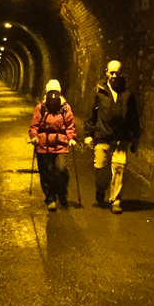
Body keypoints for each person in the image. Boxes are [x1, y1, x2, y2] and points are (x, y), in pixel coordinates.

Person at [83, 60, 140, 214]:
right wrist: (88, 135)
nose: (114, 76)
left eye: (117, 73)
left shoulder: (128, 94)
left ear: (121, 74)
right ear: (106, 72)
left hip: (121, 137)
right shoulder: (98, 91)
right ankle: (101, 189)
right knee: (101, 170)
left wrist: (135, 137)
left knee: (119, 168)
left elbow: (133, 117)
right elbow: (90, 115)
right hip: (102, 136)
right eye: (111, 72)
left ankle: (115, 200)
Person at [29, 80, 77, 211]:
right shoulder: (41, 108)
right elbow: (35, 125)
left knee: (61, 170)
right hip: (44, 144)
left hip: (61, 143)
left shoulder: (65, 108)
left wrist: (71, 138)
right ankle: (50, 198)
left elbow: (70, 126)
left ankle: (61, 192)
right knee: (47, 172)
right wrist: (34, 136)